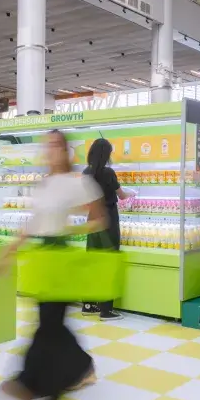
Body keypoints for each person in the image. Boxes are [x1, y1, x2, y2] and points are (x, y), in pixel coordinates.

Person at [0, 130, 107, 400]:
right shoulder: (44, 184)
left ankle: (29, 383)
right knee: (51, 322)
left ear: (65, 150)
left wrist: (70, 229)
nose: (50, 150)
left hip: (61, 258)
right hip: (43, 258)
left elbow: (100, 219)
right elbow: (32, 225)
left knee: (48, 324)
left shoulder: (77, 182)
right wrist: (5, 255)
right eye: (47, 145)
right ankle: (81, 366)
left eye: (55, 144)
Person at [80, 138, 133, 321]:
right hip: (108, 221)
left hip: (92, 221)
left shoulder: (85, 173)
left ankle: (88, 305)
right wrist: (132, 193)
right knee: (108, 265)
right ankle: (106, 310)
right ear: (106, 155)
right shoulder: (108, 173)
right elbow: (122, 195)